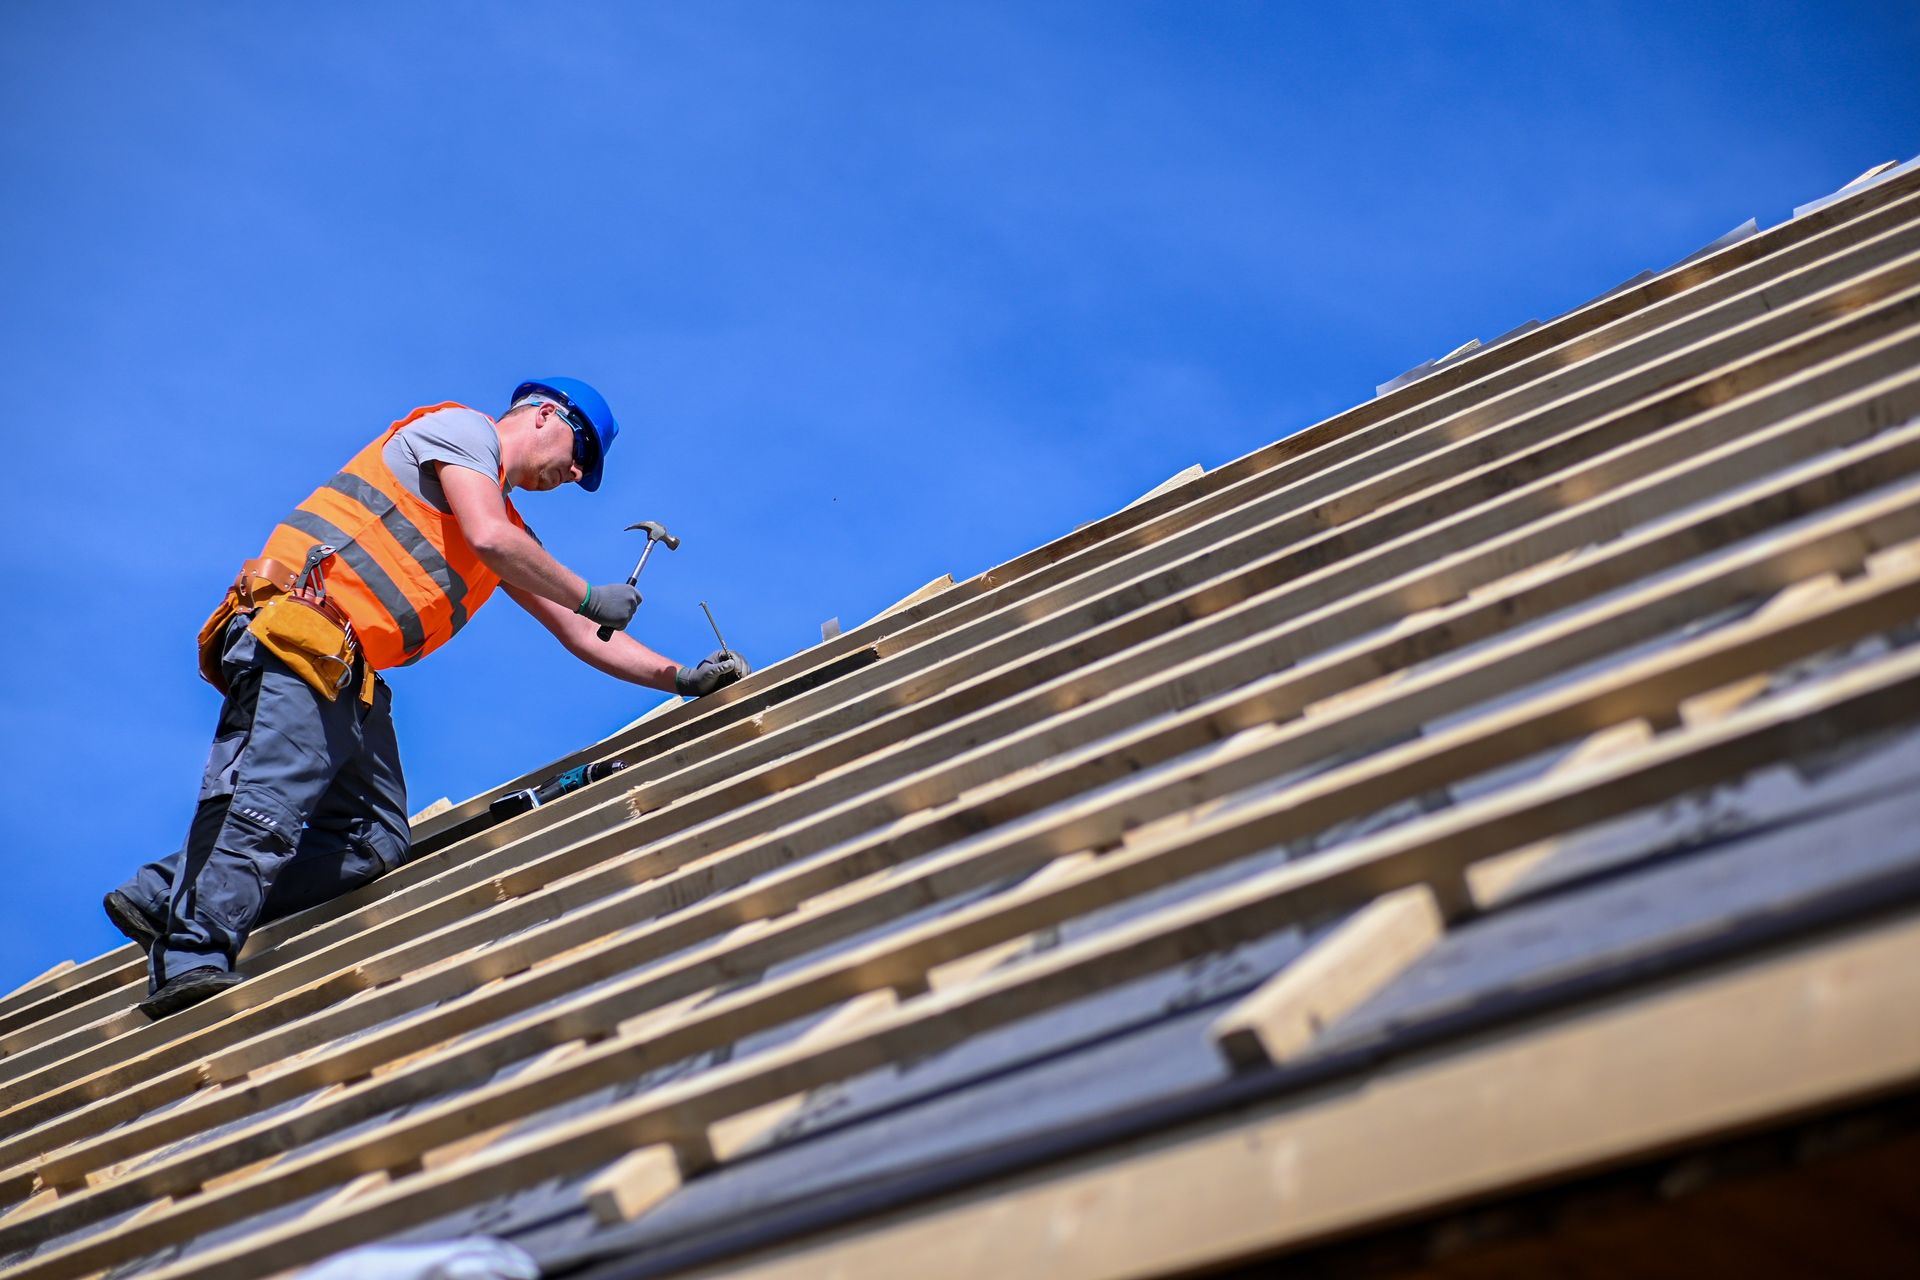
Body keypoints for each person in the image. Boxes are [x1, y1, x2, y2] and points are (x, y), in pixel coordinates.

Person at [104, 379, 747, 1018]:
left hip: (344, 667)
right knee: (269, 800)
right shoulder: (463, 433)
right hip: (301, 633)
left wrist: (682, 678)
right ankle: (190, 952)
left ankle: (167, 892)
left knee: (373, 841)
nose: (576, 473)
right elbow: (503, 547)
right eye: (580, 453)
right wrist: (587, 591)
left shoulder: (506, 529)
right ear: (546, 415)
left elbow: (582, 632)